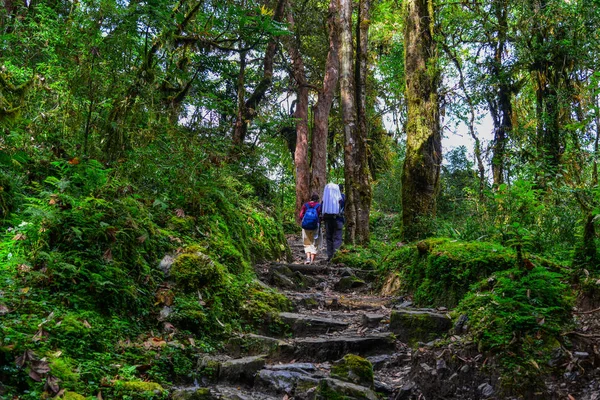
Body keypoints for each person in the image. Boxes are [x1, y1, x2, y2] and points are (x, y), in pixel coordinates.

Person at [299, 193, 322, 264]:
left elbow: (300, 216)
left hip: (306, 226)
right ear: (317, 200)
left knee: (307, 242)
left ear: (310, 199)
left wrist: (306, 221)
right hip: (316, 226)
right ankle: (312, 260)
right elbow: (321, 216)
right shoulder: (319, 206)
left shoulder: (305, 205)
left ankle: (308, 258)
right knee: (315, 243)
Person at [322, 183, 342, 262]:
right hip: (338, 220)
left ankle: (330, 256)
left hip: (327, 220)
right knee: (337, 237)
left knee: (329, 238)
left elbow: (321, 209)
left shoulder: (325, 200)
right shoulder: (342, 198)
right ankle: (336, 256)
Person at [335, 184, 346, 253]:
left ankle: (330, 253)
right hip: (340, 218)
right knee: (338, 236)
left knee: (331, 236)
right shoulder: (344, 197)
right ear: (342, 189)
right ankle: (336, 252)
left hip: (330, 218)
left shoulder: (332, 197)